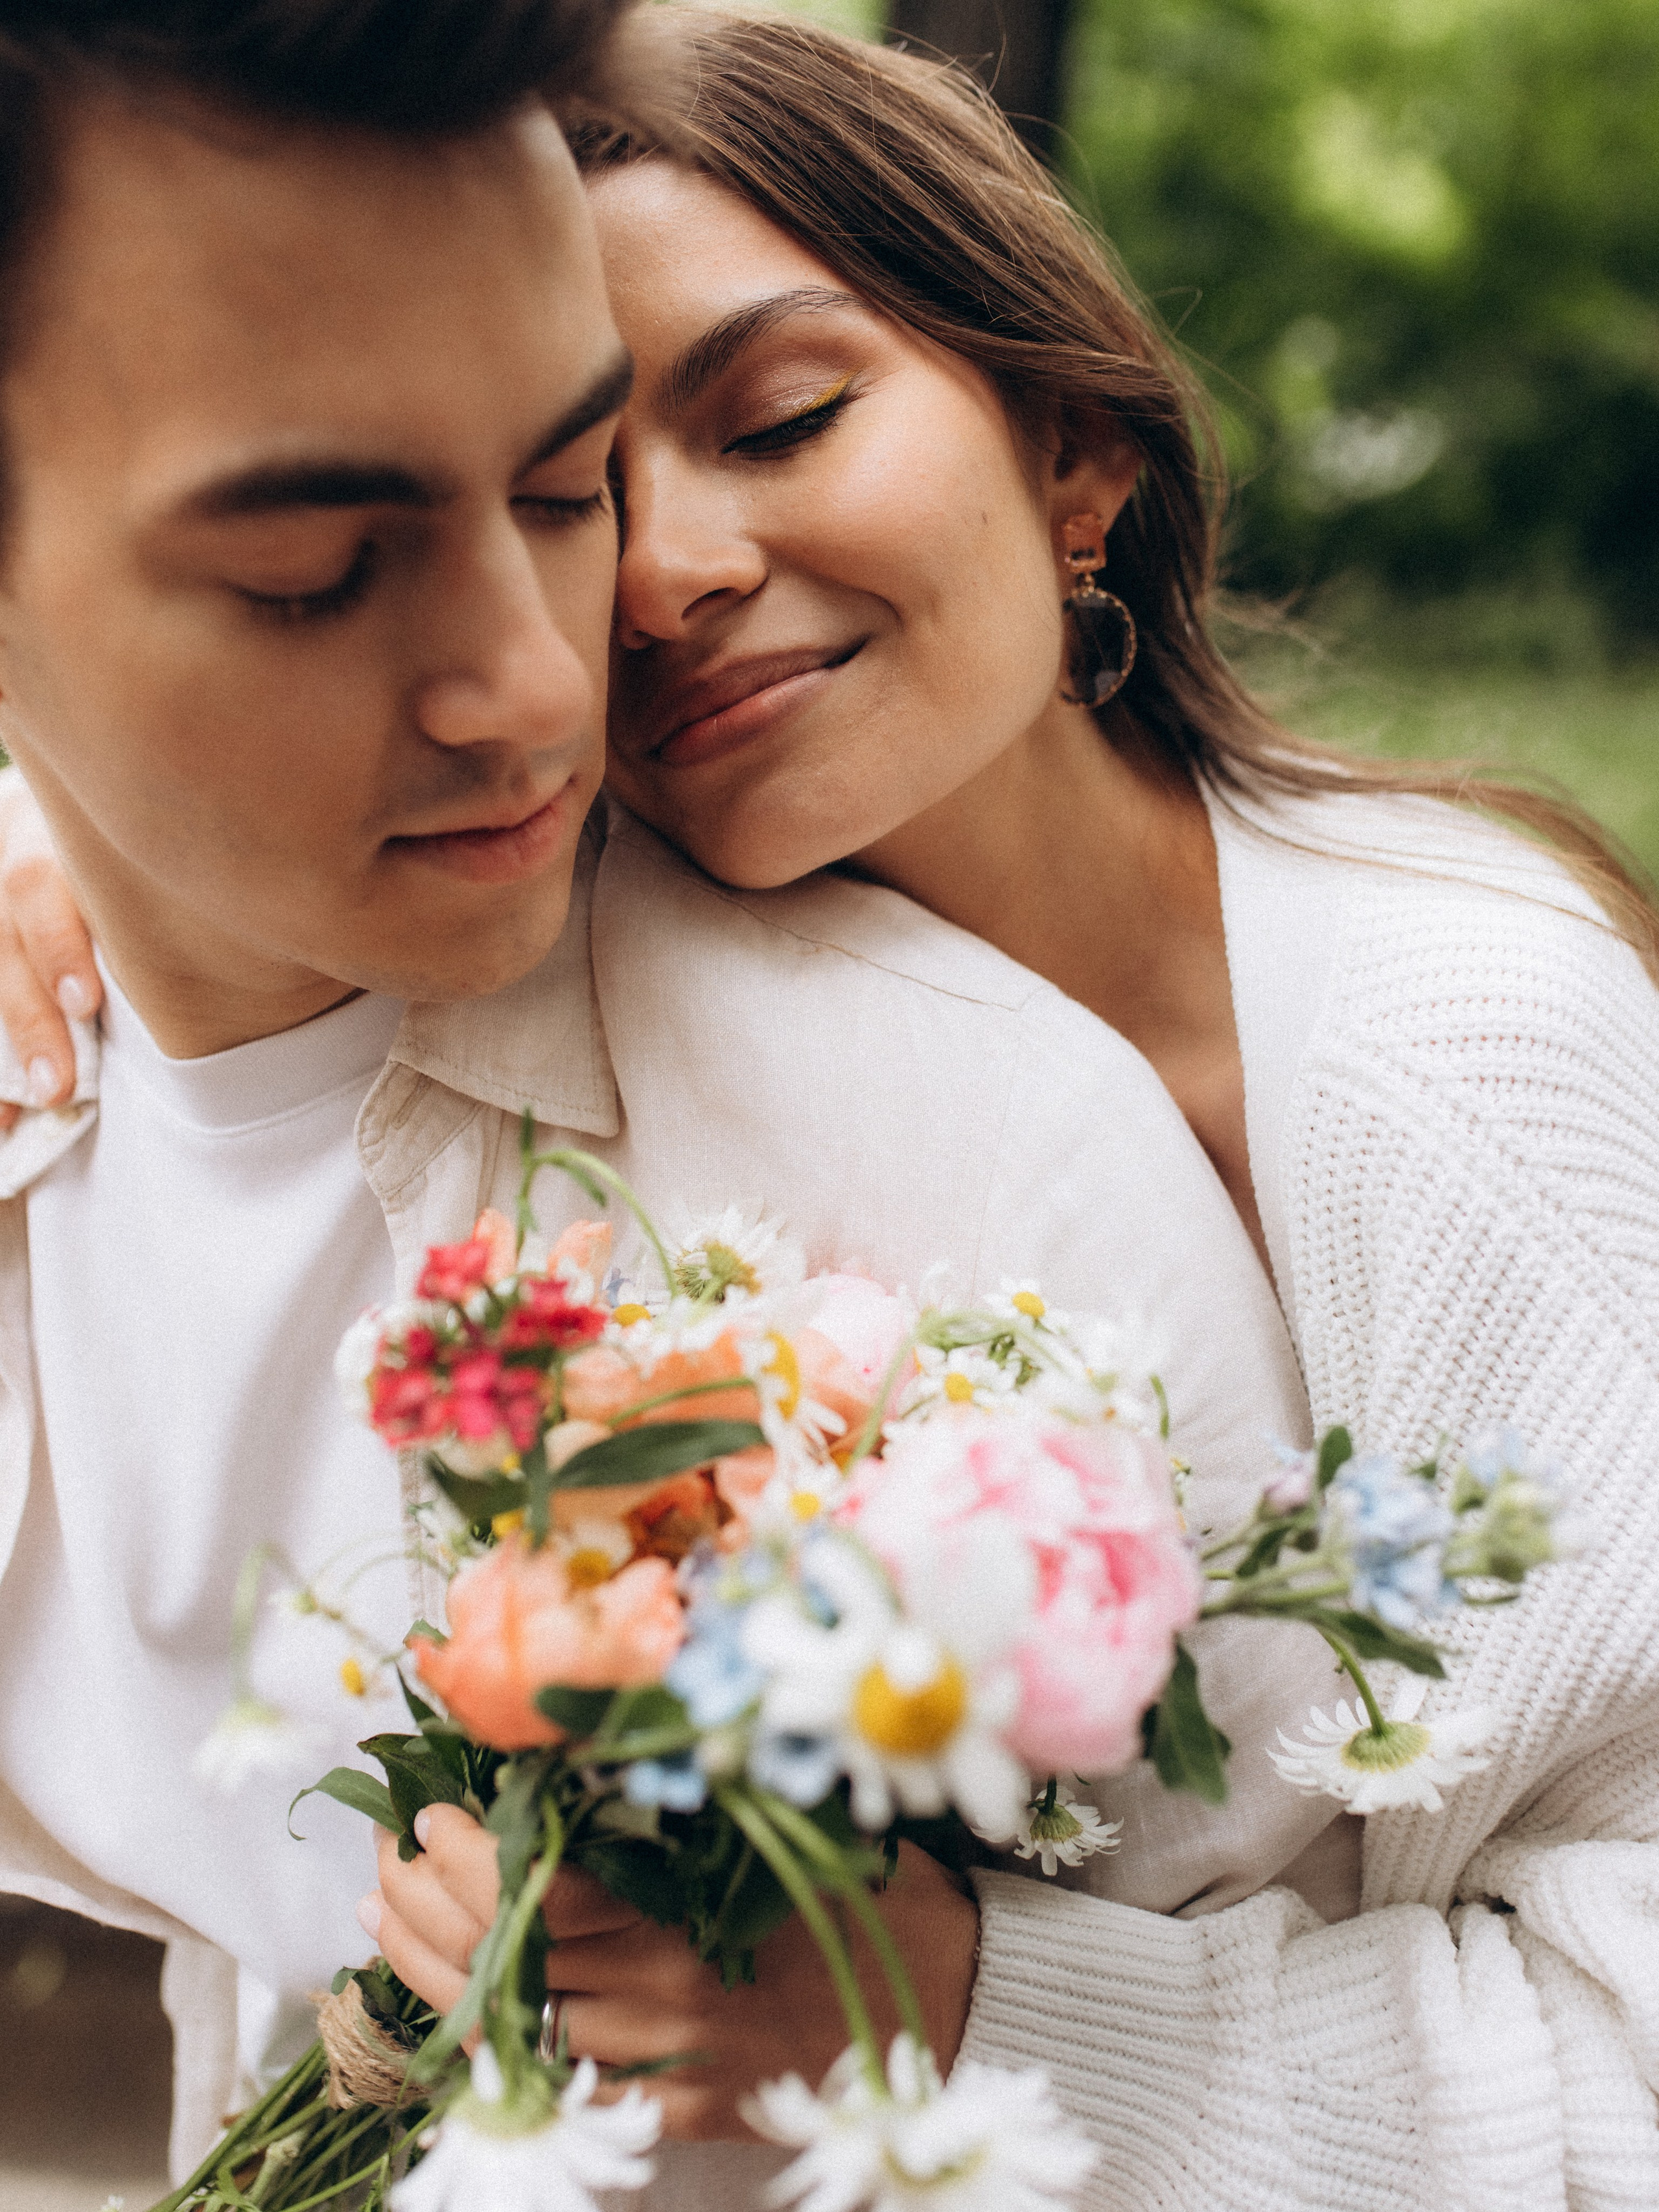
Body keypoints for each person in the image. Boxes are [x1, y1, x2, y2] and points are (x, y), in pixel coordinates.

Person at [255, 14, 1653, 2209]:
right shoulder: (555, 992)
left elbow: (1633, 2047)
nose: (664, 571)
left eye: (784, 415)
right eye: (571, 497)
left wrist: (976, 2001)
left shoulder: (1471, 1039)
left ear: (1074, 447)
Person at [0, 5, 1310, 2205]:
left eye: (557, 488)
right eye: (317, 571)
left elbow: (1325, 2046)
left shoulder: (994, 1173)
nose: (547, 679)